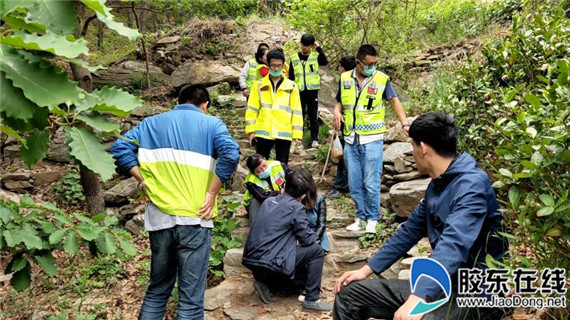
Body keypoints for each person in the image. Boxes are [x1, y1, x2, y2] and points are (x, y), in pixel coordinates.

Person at [332, 111, 510, 320]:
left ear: (423, 148)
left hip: (477, 292)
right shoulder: (438, 185)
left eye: (413, 146)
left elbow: (454, 244)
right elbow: (409, 232)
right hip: (443, 286)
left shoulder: (472, 186)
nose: (413, 152)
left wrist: (419, 296)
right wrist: (366, 269)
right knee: (350, 294)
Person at [111, 85, 240, 320]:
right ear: (205, 105)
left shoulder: (151, 123)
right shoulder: (212, 124)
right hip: (195, 216)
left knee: (157, 290)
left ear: (178, 102)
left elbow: (119, 147)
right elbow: (231, 153)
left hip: (159, 217)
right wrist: (211, 193)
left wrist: (142, 180)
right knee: (190, 298)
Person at [333, 44, 409, 233]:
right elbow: (339, 101)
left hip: (372, 137)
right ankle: (360, 217)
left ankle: (373, 219)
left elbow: (394, 101)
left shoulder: (381, 79)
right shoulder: (344, 78)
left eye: (375, 63)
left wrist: (405, 123)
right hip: (351, 137)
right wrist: (336, 112)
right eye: (368, 64)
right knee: (354, 181)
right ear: (358, 63)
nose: (372, 67)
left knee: (371, 181)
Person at [242, 169, 333, 312]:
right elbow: (308, 240)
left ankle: (265, 282)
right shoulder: (296, 207)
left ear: (283, 186)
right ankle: (311, 300)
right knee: (316, 251)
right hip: (271, 261)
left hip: (251, 260)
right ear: (302, 195)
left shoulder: (268, 201)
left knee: (299, 278)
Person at [245, 49, 303, 164]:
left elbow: (296, 111)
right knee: (259, 165)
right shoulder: (259, 85)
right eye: (273, 66)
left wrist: (297, 134)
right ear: (268, 65)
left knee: (282, 166)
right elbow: (252, 109)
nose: (276, 69)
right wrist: (251, 131)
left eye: (279, 66)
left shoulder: (291, 86)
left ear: (283, 66)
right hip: (263, 131)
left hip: (284, 131)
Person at [289, 34, 328, 149]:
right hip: (298, 91)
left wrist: (319, 48)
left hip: (312, 91)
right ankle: (298, 140)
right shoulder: (294, 58)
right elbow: (291, 75)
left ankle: (314, 139)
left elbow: (324, 61)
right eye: (302, 44)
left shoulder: (315, 56)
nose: (304, 47)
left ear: (311, 45)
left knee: (313, 116)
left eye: (307, 45)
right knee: (298, 116)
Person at [326, 56, 356, 199]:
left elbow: (341, 101)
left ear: (343, 67)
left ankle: (341, 186)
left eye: (339, 66)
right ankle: (343, 185)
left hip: (349, 125)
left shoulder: (345, 79)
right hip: (351, 123)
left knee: (344, 157)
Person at [243, 154, 291, 224]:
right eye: (259, 171)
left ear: (265, 159)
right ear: (253, 173)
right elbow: (262, 196)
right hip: (261, 202)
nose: (264, 170)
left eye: (264, 166)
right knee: (254, 201)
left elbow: (292, 177)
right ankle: (256, 229)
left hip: (282, 197)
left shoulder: (279, 165)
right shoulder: (250, 181)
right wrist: (280, 192)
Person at [303, 181, 330, 252]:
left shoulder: (319, 200)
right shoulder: (296, 200)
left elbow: (321, 225)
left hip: (315, 233)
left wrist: (314, 241)